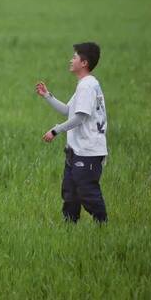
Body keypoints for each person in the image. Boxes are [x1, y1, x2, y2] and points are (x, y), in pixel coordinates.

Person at [35, 42, 108, 223]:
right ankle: (69, 228)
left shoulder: (87, 87)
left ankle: (103, 225)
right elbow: (69, 111)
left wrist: (55, 130)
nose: (71, 59)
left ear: (84, 63)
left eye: (74, 57)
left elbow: (80, 118)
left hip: (88, 151)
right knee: (70, 193)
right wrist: (48, 96)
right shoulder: (87, 84)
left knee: (88, 193)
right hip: (76, 151)